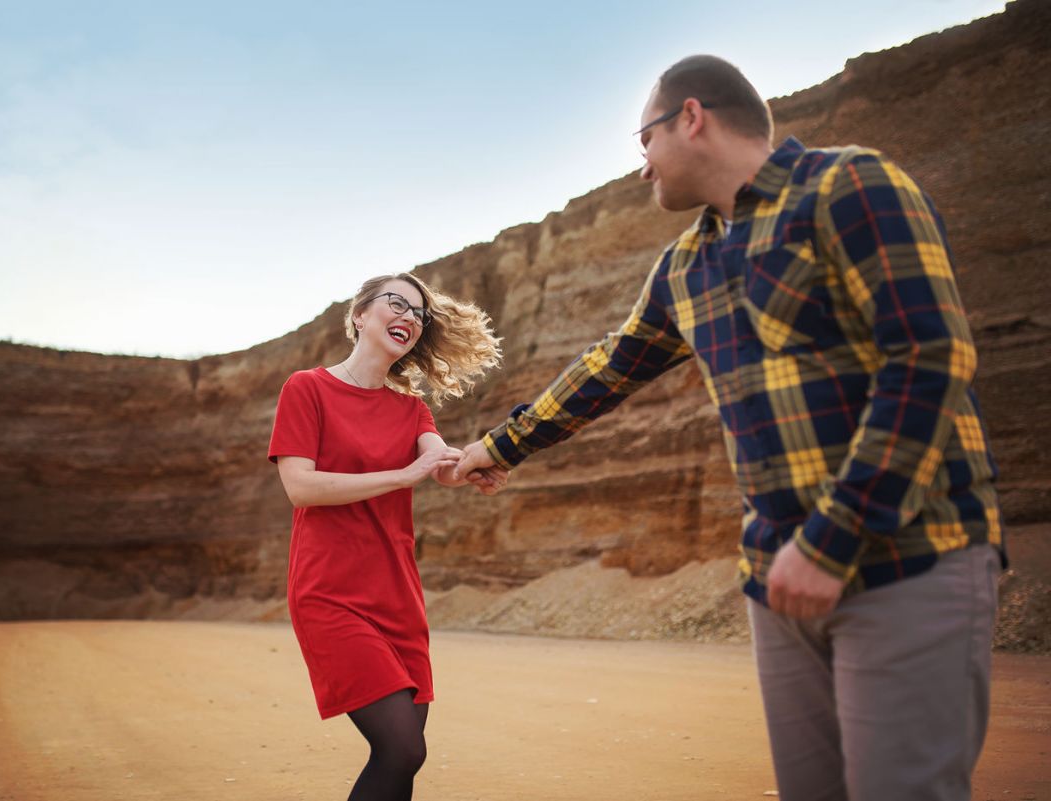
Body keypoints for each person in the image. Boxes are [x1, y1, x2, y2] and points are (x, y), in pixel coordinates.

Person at [453, 55, 1005, 801]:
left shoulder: (850, 186)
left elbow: (930, 361)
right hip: (778, 581)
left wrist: (835, 535)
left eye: (642, 141)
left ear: (691, 117)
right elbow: (609, 369)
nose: (642, 169)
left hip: (908, 557)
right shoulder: (686, 265)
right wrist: (496, 446)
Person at [268, 272, 504, 801]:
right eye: (396, 304)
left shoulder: (411, 409)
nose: (409, 318)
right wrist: (402, 476)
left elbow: (437, 463)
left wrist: (476, 464)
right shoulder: (307, 388)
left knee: (403, 756)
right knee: (402, 749)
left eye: (419, 314)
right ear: (359, 315)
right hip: (330, 593)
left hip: (398, 596)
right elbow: (301, 487)